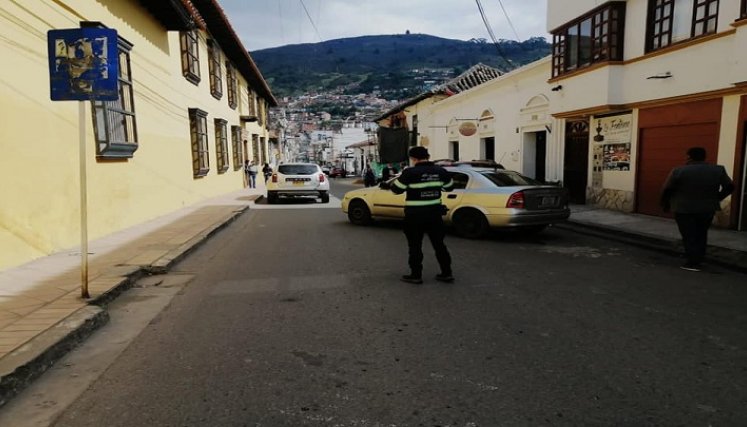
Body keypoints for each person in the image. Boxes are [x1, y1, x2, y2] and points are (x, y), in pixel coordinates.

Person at [660, 146, 734, 272]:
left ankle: (692, 262)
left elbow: (667, 189)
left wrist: (665, 204)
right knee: (701, 233)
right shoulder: (718, 170)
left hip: (683, 209)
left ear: (689, 157)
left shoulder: (679, 171)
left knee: (689, 235)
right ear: (704, 157)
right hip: (707, 208)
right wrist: (717, 198)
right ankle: (699, 258)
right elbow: (730, 186)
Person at [391, 146, 454, 284]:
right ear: (428, 156)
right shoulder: (440, 171)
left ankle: (416, 275)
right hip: (434, 214)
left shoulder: (410, 172)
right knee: (439, 244)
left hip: (414, 216)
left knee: (415, 245)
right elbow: (449, 187)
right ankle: (447, 273)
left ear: (413, 158)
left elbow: (396, 189)